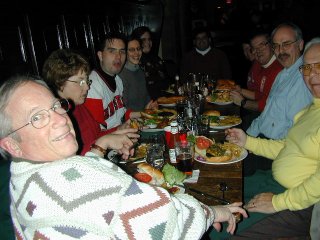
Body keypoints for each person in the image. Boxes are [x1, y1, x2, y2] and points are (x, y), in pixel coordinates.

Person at [0, 75, 247, 239]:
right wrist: (213, 212)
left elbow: (80, 180)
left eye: (55, 106)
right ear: (11, 143)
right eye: (37, 117)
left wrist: (99, 146)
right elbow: (169, 224)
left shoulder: (23, 174)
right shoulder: (81, 183)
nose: (60, 119)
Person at [222, 37, 320, 239]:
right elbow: (288, 146)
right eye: (307, 68)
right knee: (222, 194)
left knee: (227, 230)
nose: (312, 75)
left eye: (319, 66)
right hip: (274, 182)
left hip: (302, 203)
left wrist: (277, 202)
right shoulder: (311, 109)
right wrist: (247, 141)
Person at [242, 23, 313, 176]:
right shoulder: (283, 74)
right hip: (261, 140)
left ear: (300, 45)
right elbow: (265, 115)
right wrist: (246, 138)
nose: (281, 51)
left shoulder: (303, 79)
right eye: (277, 46)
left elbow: (292, 139)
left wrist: (250, 143)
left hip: (275, 153)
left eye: (286, 44)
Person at [42, 49, 139, 156]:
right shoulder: (56, 118)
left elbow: (96, 135)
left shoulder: (79, 106)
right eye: (80, 81)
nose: (87, 87)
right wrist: (105, 142)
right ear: (60, 83)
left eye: (87, 80)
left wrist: (119, 129)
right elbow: (75, 158)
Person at [84, 32, 141, 132]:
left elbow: (121, 114)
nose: (118, 57)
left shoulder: (117, 79)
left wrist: (144, 114)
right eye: (112, 51)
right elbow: (95, 133)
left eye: (122, 52)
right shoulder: (92, 85)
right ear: (100, 55)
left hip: (119, 136)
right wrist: (122, 129)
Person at [230, 32, 283, 130]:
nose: (258, 51)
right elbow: (258, 94)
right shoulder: (258, 64)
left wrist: (243, 102)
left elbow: (267, 106)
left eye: (262, 45)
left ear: (271, 45)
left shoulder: (279, 69)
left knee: (233, 125)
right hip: (261, 114)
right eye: (254, 48)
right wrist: (240, 90)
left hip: (273, 120)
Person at [131, 26, 170, 100]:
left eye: (149, 39)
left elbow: (167, 79)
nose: (148, 42)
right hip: (149, 103)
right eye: (143, 40)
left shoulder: (156, 58)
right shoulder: (135, 60)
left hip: (165, 99)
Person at [119, 36, 156, 111]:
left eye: (138, 49)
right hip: (131, 120)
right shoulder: (121, 75)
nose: (136, 53)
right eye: (132, 50)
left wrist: (152, 105)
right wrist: (144, 113)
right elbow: (123, 108)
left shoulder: (140, 71)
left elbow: (146, 97)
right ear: (125, 53)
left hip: (144, 117)